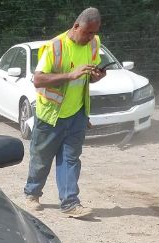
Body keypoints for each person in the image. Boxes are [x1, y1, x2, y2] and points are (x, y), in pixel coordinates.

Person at [23, 7, 106, 218]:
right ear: (76, 26)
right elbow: (38, 80)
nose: (90, 37)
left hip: (77, 113)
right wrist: (70, 75)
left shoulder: (94, 44)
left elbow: (89, 74)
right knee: (41, 158)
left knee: (71, 159)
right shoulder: (55, 47)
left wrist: (97, 76)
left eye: (93, 33)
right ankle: (32, 194)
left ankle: (70, 203)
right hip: (50, 115)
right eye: (87, 32)